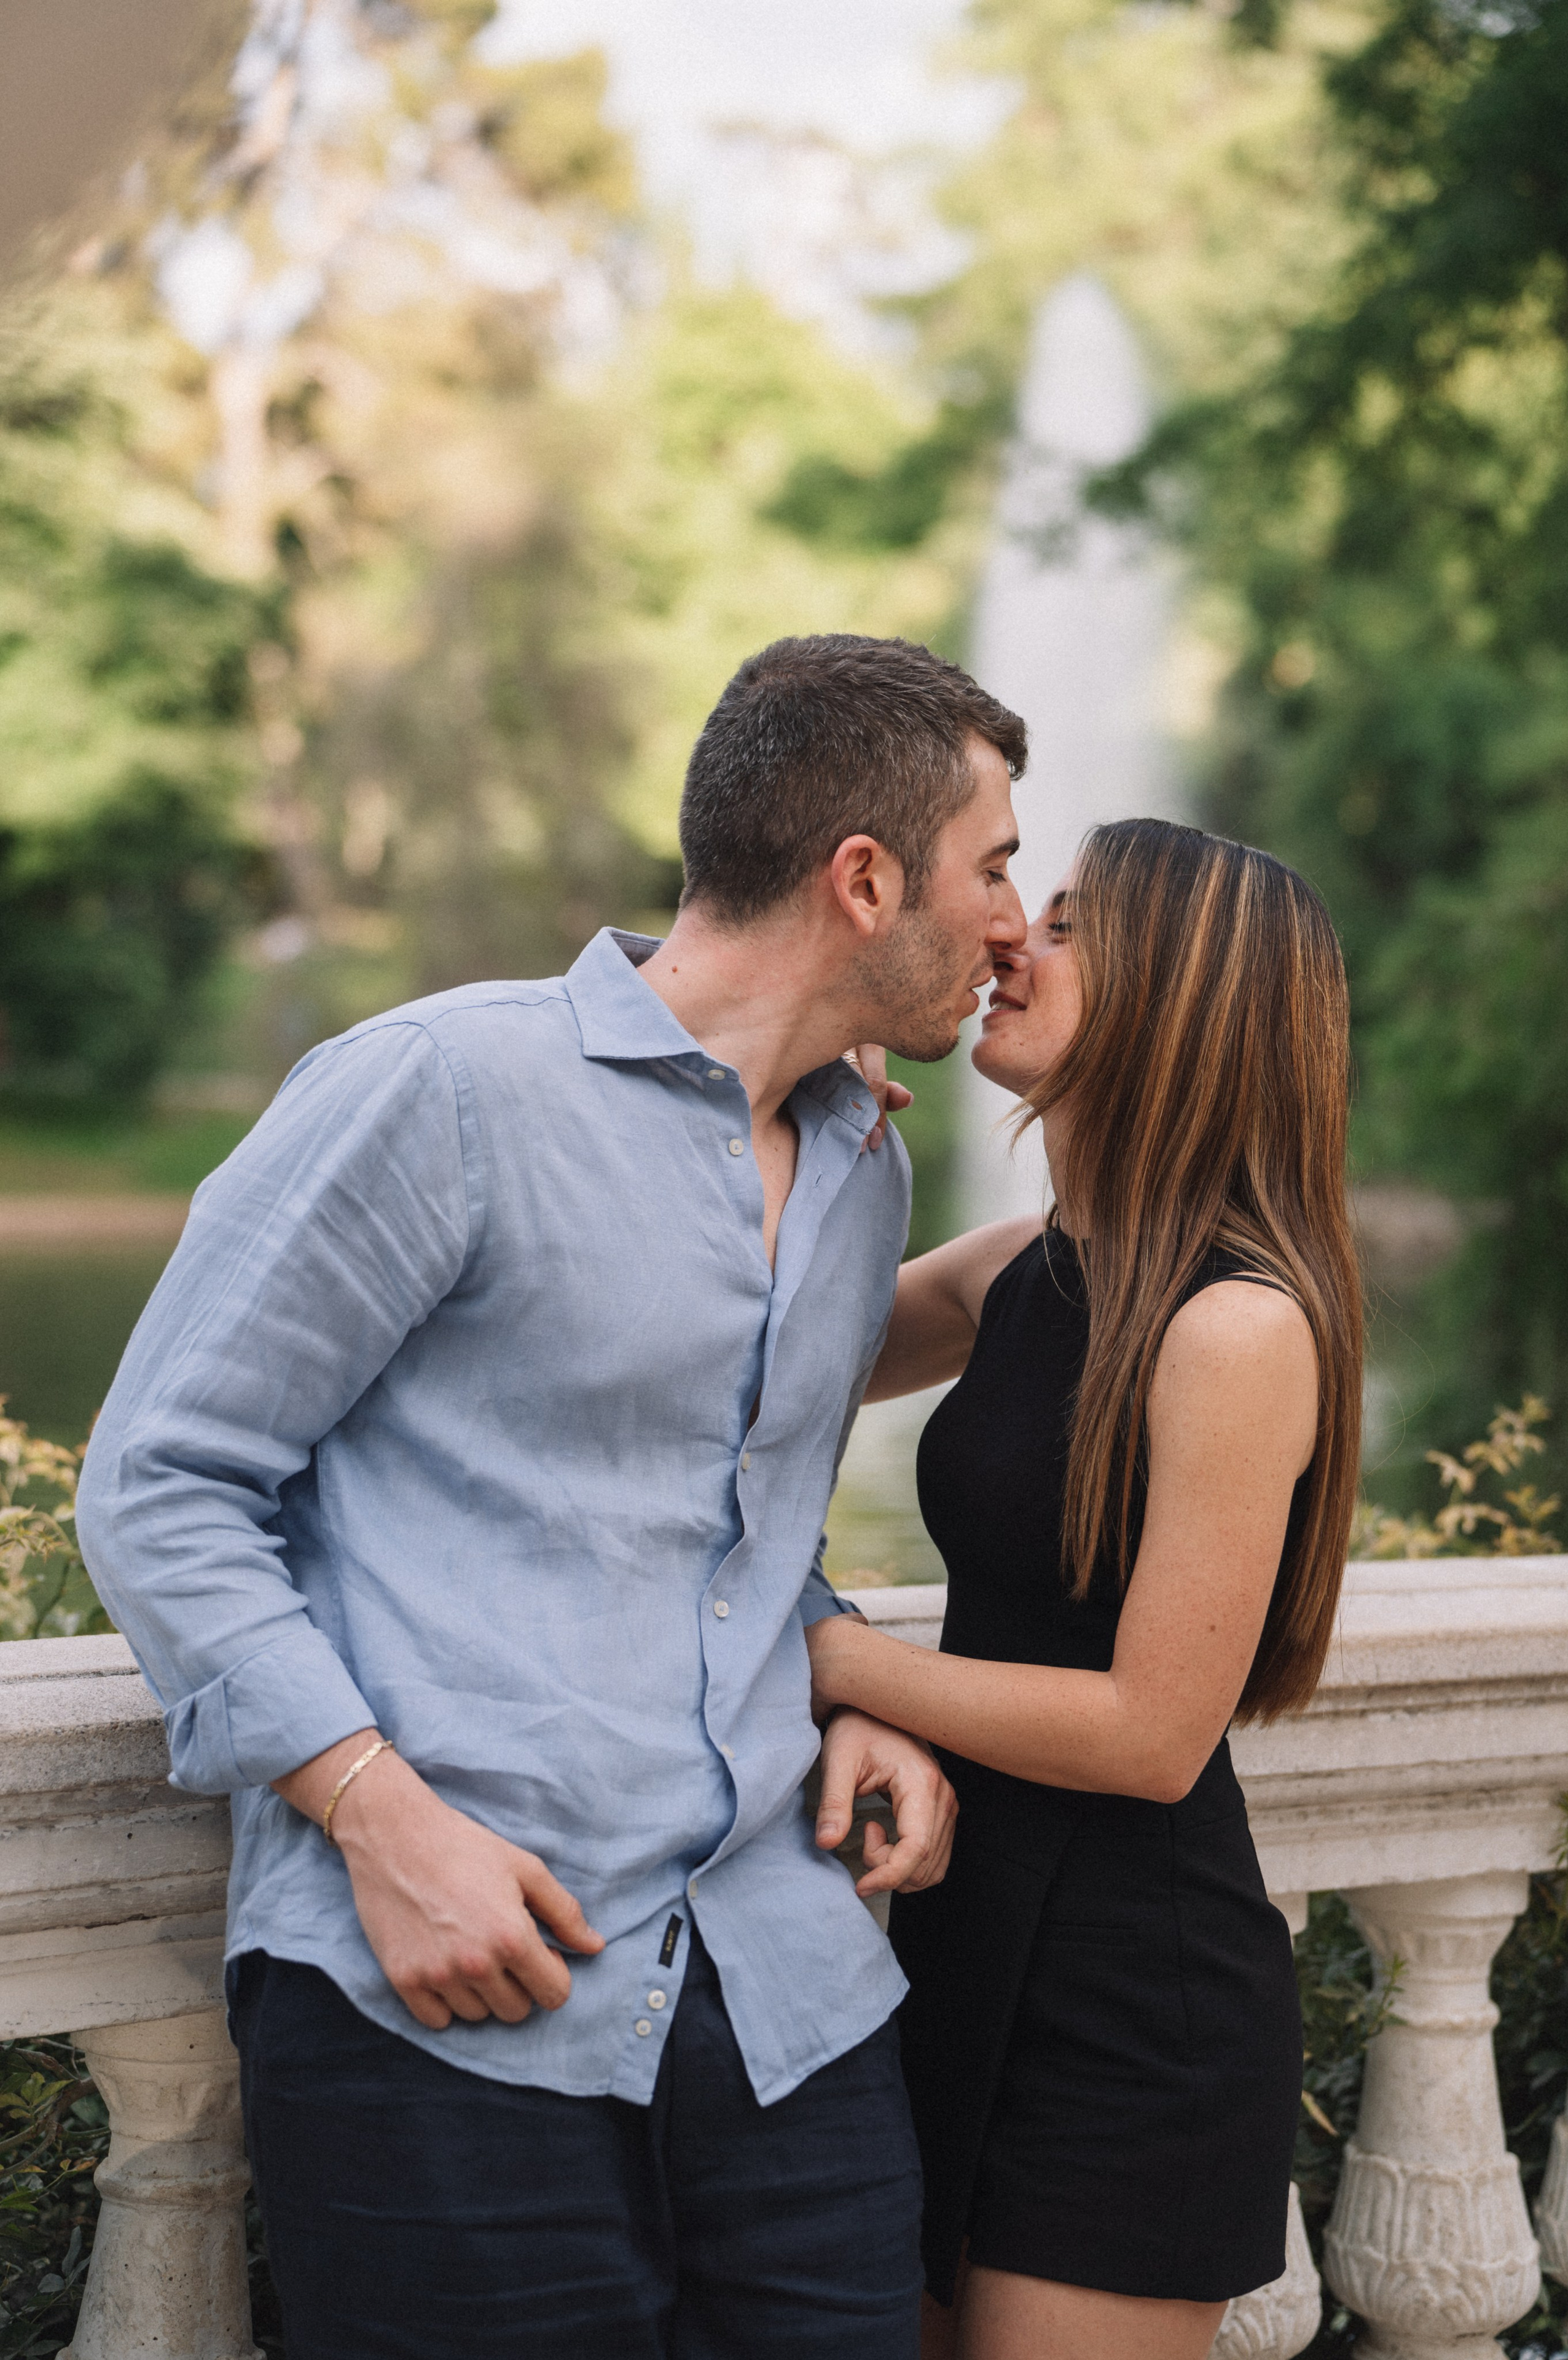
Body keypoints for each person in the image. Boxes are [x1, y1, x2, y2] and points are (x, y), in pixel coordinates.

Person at [75, 633, 1032, 2360]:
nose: (1015, 923)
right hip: (444, 2006)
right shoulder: (443, 1092)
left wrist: (836, 1670)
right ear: (867, 879)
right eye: (995, 868)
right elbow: (163, 1484)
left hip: (788, 2009)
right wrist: (380, 1814)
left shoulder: (859, 1170)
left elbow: (711, 1512)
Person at [808, 818, 1363, 2360]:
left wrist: (832, 1661)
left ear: (1180, 999)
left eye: (1062, 924)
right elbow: (766, 1361)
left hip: (1132, 1999)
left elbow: (1148, 1733)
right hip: (948, 1931)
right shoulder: (1023, 1265)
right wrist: (803, 1108)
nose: (1008, 944)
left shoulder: (1238, 1326)